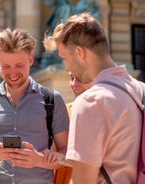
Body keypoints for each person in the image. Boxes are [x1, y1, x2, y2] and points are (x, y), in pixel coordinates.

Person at [44, 12, 143, 183]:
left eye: (65, 58)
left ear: (80, 52)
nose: (66, 67)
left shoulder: (91, 102)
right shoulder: (140, 90)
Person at [0, 28, 69, 184]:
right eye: (6, 66)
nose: (13, 73)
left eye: (19, 65)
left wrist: (40, 160)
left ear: (30, 60)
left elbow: (68, 156)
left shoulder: (53, 100)